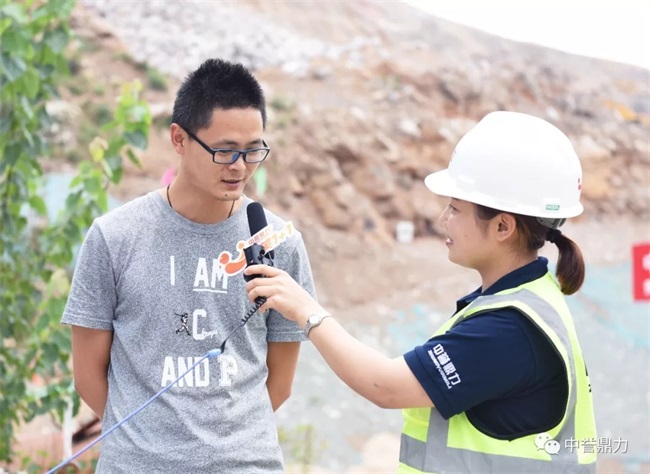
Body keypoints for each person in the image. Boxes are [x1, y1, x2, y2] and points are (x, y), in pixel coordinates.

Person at [245, 111, 597, 473]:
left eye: (456, 208)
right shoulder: (530, 298)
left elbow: (384, 385)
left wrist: (306, 310)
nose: (443, 219)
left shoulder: (509, 330)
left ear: (503, 226)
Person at [61, 58, 316, 473]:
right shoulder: (115, 236)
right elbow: (88, 373)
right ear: (179, 139)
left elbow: (281, 383)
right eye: (224, 150)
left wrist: (225, 450)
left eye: (253, 150)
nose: (240, 166)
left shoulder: (279, 244)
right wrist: (148, 445)